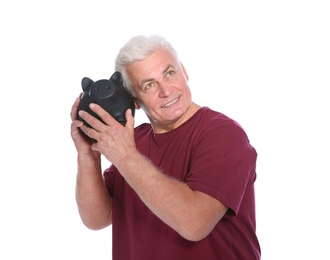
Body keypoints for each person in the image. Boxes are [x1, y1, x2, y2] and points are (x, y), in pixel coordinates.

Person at [70, 34, 261, 259]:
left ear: (184, 71)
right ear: (135, 101)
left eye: (170, 73)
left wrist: (125, 157)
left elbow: (194, 223)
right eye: (149, 85)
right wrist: (88, 155)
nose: (166, 90)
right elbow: (97, 218)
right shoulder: (133, 143)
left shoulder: (223, 135)